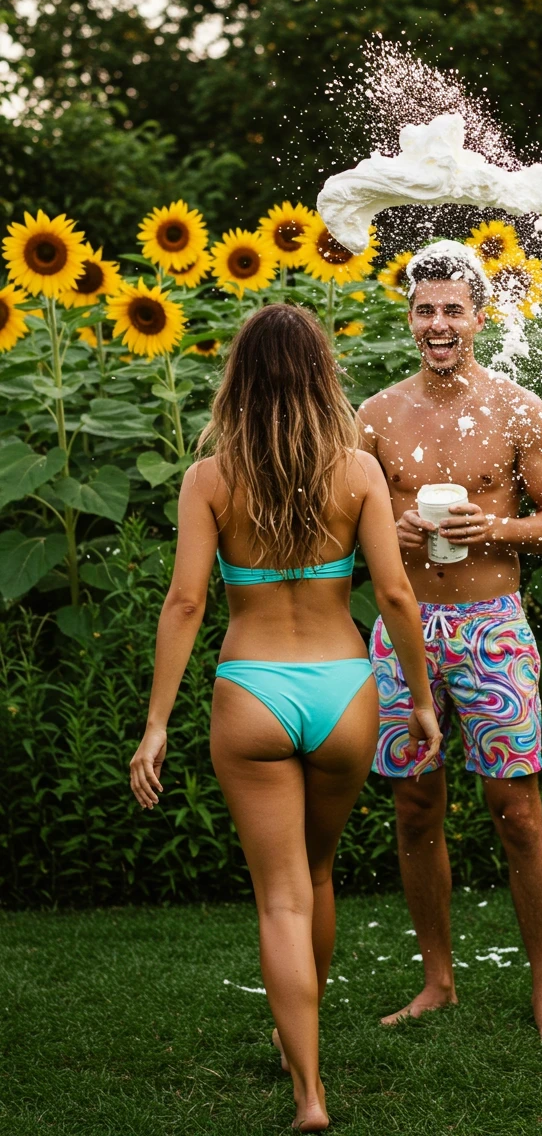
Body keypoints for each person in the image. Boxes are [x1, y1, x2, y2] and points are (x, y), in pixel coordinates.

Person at [128, 302, 441, 1133]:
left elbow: (187, 600)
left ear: (239, 378)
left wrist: (156, 723)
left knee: (280, 899)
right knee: (318, 873)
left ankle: (308, 1092)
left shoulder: (211, 478)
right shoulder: (358, 472)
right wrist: (418, 696)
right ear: (319, 375)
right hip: (343, 690)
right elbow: (397, 593)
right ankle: (300, 1043)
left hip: (253, 693)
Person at [357, 240, 542, 1041]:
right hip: (406, 626)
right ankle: (438, 981)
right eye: (426, 310)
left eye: (453, 309)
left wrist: (499, 525)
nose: (439, 323)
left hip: (492, 626)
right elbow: (353, 531)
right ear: (410, 320)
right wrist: (395, 530)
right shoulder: (376, 416)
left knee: (516, 810)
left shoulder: (519, 408)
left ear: (478, 319)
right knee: (415, 806)